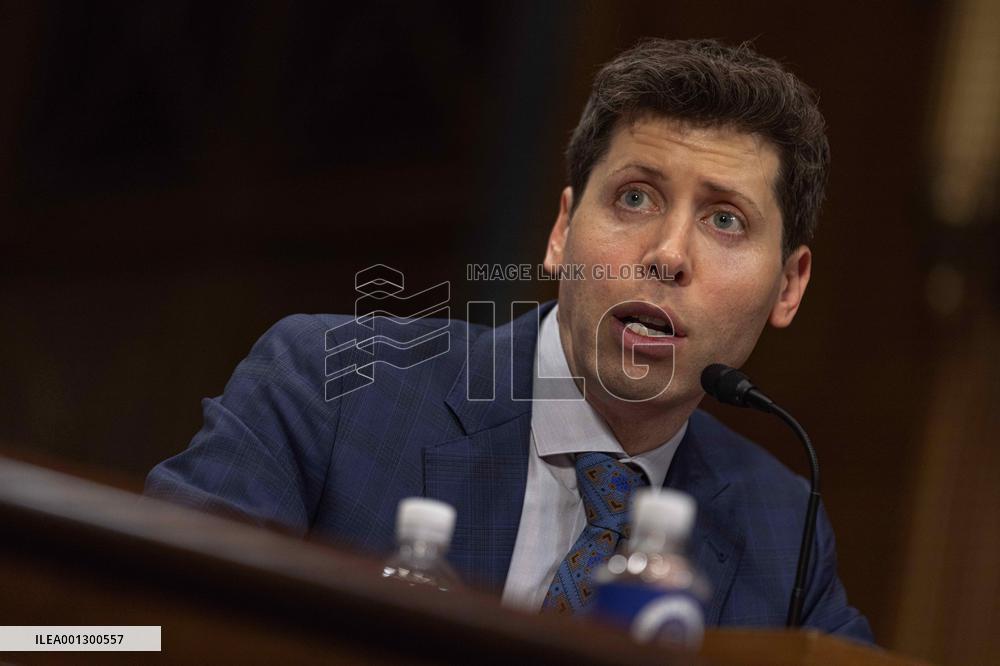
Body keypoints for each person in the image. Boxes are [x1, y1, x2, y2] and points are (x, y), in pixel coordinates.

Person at [146, 38, 873, 642]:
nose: (668, 253)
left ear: (789, 286)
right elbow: (129, 625)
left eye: (725, 221)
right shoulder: (332, 388)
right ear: (561, 233)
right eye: (635, 197)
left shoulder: (781, 528)